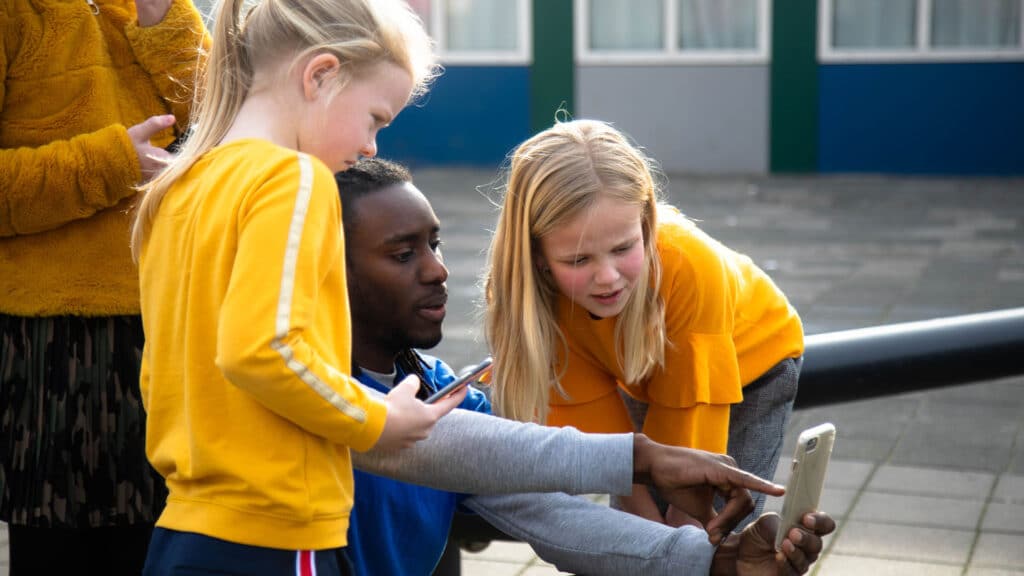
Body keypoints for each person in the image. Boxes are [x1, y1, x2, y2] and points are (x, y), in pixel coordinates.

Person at [337, 158, 834, 576]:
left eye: (435, 245)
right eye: (404, 254)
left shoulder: (444, 390)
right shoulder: (310, 396)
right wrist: (642, 459)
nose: (439, 270)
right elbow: (429, 443)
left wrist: (714, 561)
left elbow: (547, 507)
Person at [131, 1, 467, 574]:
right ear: (320, 75)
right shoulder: (294, 177)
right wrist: (378, 419)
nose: (371, 149)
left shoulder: (182, 186)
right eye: (375, 119)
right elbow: (264, 350)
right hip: (276, 534)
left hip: (185, 527)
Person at [485, 119, 805, 529]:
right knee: (637, 534)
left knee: (718, 535)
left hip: (749, 367)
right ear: (538, 257)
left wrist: (683, 544)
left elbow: (693, 471)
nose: (607, 277)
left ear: (646, 222)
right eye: (579, 260)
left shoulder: (690, 265)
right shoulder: (539, 301)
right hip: (639, 370)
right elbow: (616, 456)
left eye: (623, 248)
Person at [0, 1, 208, 574]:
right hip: (50, 340)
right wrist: (115, 161)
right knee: (57, 547)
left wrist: (161, 16)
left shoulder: (156, 9)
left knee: (165, 538)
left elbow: (227, 121)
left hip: (168, 321)